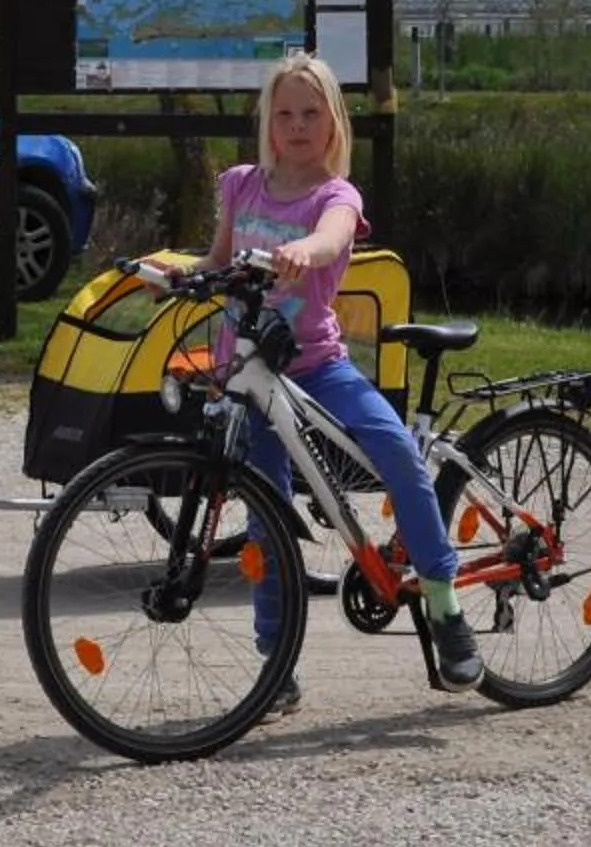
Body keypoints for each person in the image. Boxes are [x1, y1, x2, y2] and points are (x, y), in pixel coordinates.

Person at [200, 51, 482, 714]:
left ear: (333, 122)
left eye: (311, 113)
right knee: (267, 520)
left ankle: (445, 607)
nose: (297, 126)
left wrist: (305, 250)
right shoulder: (240, 186)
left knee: (400, 457)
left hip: (317, 365)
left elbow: (330, 238)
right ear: (267, 122)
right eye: (284, 114)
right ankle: (277, 667)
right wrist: (169, 274)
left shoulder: (336, 196)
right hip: (249, 374)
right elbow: (216, 261)